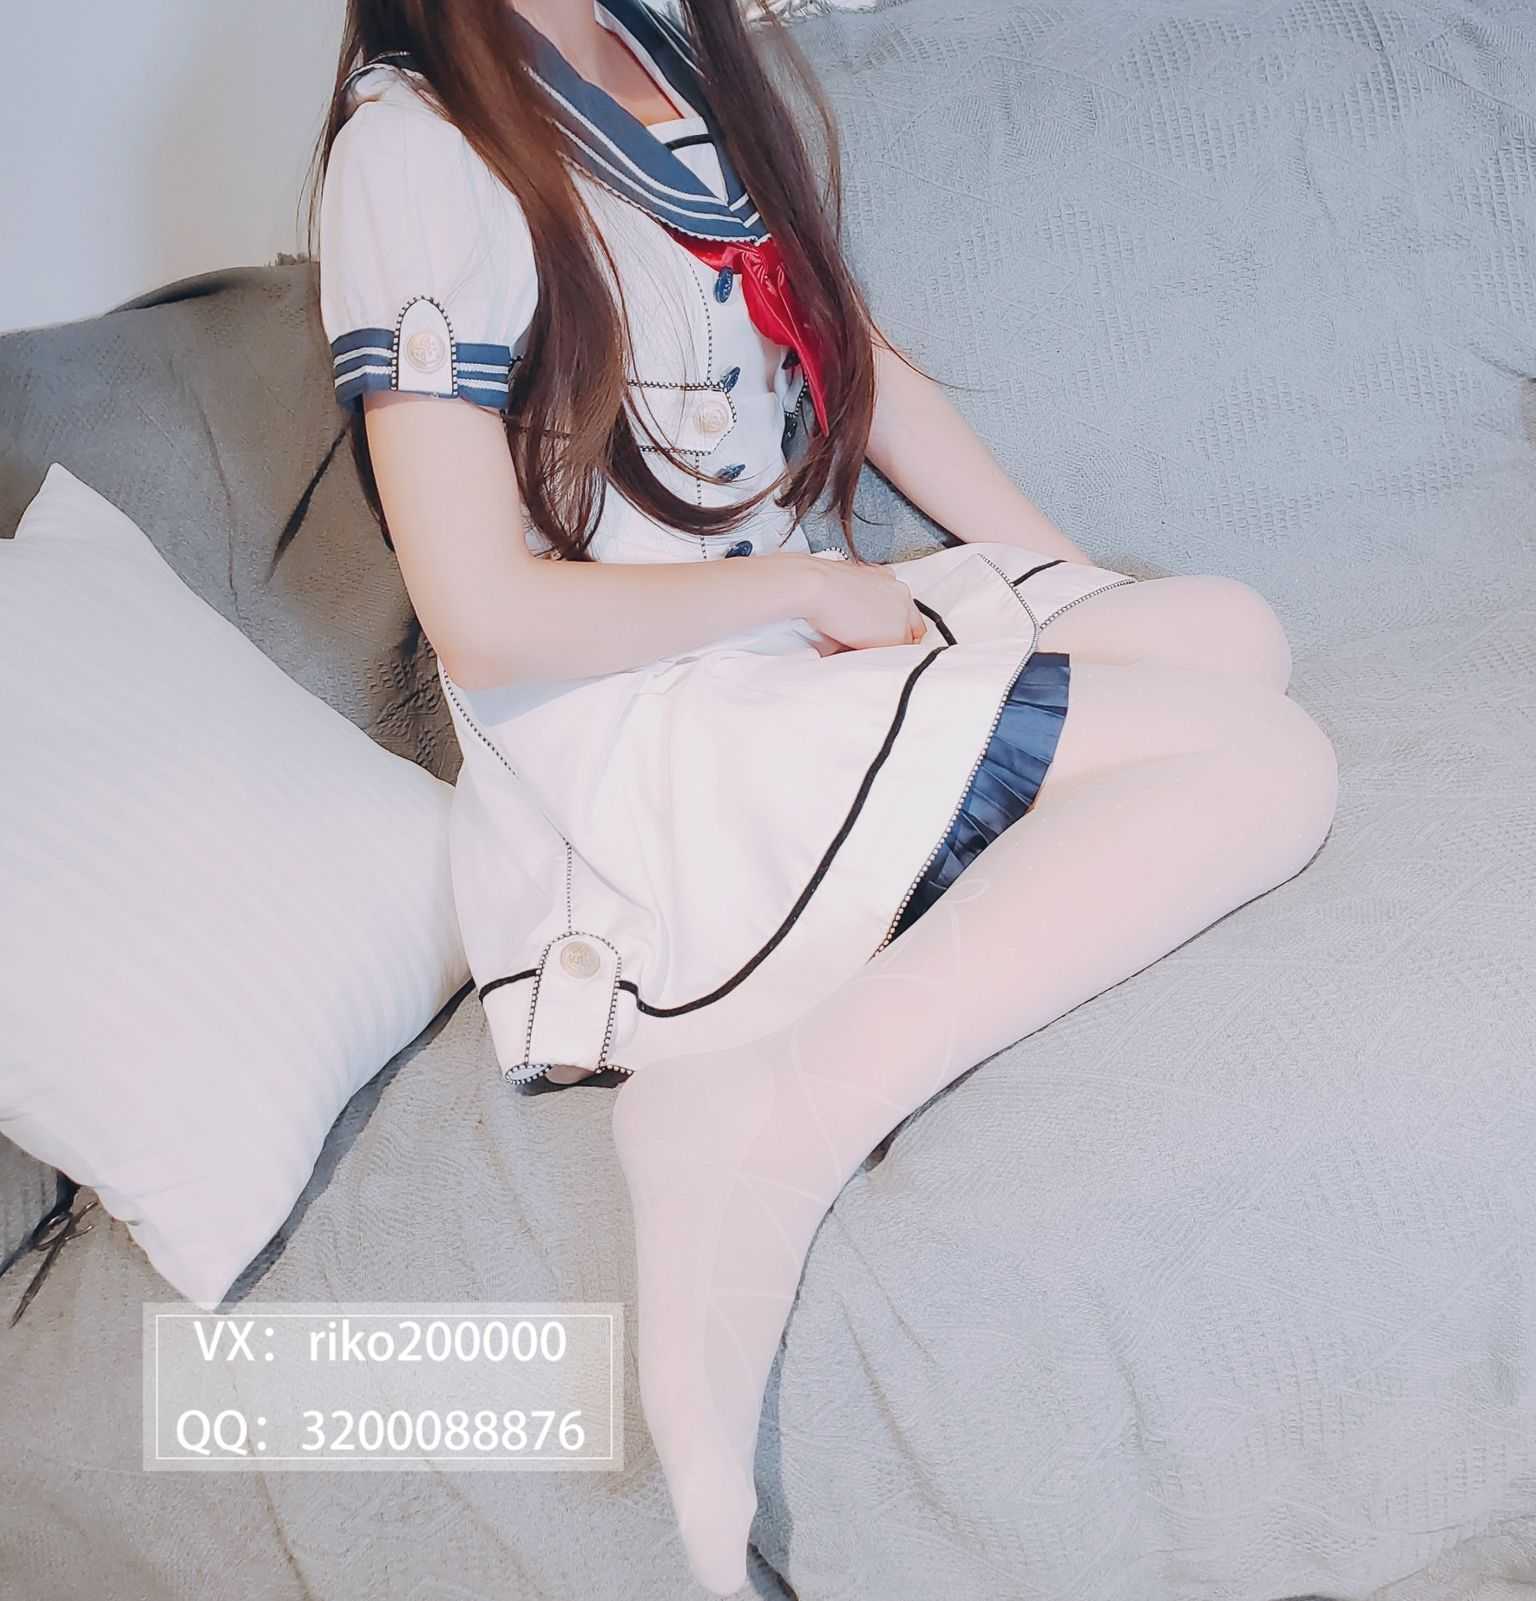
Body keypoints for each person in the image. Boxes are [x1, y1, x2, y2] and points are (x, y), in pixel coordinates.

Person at [311, 0, 1339, 1589]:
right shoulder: (414, 148)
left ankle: (903, 892)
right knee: (1271, 767)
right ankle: (774, 1116)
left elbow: (863, 362)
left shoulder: (660, 42)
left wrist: (1069, 597)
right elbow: (484, 615)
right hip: (648, 728)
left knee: (1229, 635)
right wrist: (798, 589)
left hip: (780, 648)